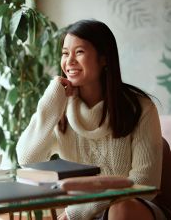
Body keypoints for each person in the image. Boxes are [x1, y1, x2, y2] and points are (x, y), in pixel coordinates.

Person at [16, 19, 167, 220]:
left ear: (104, 58)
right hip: (80, 214)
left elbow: (144, 183)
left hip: (132, 210)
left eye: (79, 52)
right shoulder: (60, 108)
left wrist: (77, 212)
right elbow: (28, 159)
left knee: (121, 209)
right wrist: (51, 100)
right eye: (65, 53)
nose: (69, 61)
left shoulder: (141, 108)